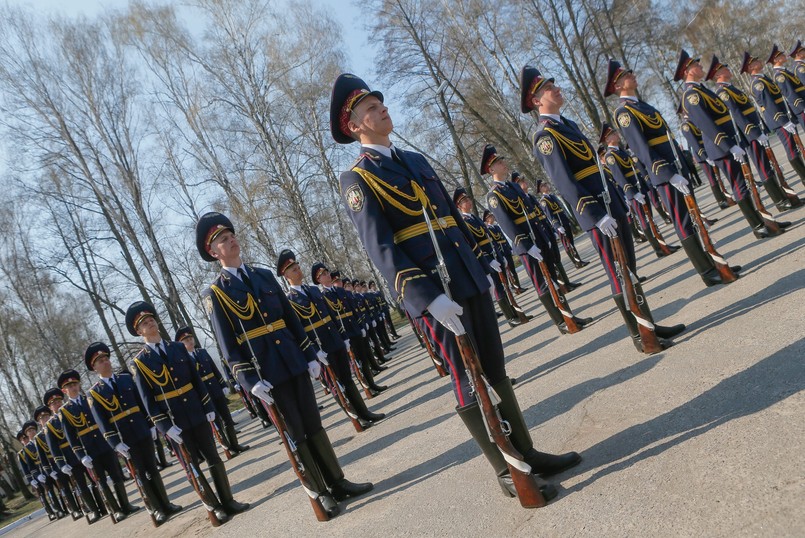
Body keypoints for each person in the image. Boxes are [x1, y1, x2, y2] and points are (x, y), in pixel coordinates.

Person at [332, 72, 580, 504]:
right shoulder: (358, 179)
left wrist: (479, 265)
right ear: (354, 126)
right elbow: (383, 250)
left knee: (495, 366)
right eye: (370, 108)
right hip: (434, 291)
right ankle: (507, 469)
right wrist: (427, 299)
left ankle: (526, 453)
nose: (381, 109)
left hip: (465, 276)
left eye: (379, 102)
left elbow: (449, 219)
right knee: (468, 375)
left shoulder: (415, 160)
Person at [198, 212, 372, 519]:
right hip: (266, 371)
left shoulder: (264, 276)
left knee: (314, 424)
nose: (231, 240)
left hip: (293, 359)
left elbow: (291, 320)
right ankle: (319, 493)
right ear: (213, 252)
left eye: (231, 234)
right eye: (223, 239)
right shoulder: (218, 294)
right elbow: (228, 346)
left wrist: (309, 354)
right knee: (295, 434)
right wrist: (249, 380)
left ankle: (338, 481)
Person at [522, 64, 685, 352]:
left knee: (629, 270)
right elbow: (565, 182)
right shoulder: (545, 136)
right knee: (617, 272)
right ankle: (640, 337)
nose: (556, 89)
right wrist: (595, 215)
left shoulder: (566, 125)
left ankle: (648, 324)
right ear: (536, 101)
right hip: (597, 211)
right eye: (548, 88)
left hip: (611, 203)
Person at [607, 59, 737, 286]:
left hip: (674, 167)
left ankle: (713, 262)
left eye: (630, 71)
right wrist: (668, 174)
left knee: (694, 218)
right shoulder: (624, 112)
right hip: (665, 174)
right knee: (684, 221)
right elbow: (642, 149)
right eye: (625, 75)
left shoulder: (641, 105)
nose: (632, 74)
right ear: (617, 86)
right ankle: (706, 272)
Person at [127, 301, 249, 524]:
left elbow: (196, 381)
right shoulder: (140, 363)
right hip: (174, 420)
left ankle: (227, 500)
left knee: (213, 458)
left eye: (151, 318)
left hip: (196, 410)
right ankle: (213, 507)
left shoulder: (177, 348)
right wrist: (164, 427)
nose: (150, 323)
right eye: (145, 323)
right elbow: (147, 401)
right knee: (192, 465)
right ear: (139, 331)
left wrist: (208, 407)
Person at [675, 50, 788, 236]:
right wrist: (728, 145)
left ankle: (766, 220)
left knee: (746, 184)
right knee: (740, 187)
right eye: (696, 64)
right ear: (687, 71)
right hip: (721, 147)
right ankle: (758, 227)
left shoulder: (700, 90)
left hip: (729, 143)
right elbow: (708, 125)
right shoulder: (691, 95)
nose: (700, 66)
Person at [483, 144, 592, 334]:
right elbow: (508, 224)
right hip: (526, 244)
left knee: (552, 277)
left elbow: (531, 212)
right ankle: (560, 322)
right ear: (491, 169)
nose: (504, 163)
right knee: (542, 282)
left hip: (538, 237)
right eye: (499, 162)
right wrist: (526, 245)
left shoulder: (513, 186)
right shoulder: (494, 195)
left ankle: (568, 315)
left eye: (502, 160)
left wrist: (544, 235)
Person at [278, 249, 385, 427]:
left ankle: (365, 412)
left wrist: (343, 336)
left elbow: (330, 315)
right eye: (293, 269)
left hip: (334, 339)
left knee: (347, 378)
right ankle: (355, 418)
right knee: (336, 384)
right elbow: (298, 331)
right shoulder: (289, 300)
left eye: (297, 266)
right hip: (320, 347)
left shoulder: (313, 290)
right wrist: (313, 351)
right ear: (285, 274)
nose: (298, 270)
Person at [86, 341, 181, 526]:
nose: (105, 362)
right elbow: (102, 422)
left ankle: (166, 504)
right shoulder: (94, 394)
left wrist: (151, 424)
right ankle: (156, 509)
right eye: (100, 361)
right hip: (124, 438)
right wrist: (115, 443)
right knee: (140, 474)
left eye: (106, 358)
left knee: (153, 468)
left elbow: (141, 401)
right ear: (94, 367)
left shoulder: (125, 378)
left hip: (141, 430)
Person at [706, 55, 796, 211]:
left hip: (755, 129)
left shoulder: (730, 88)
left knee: (769, 165)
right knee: (763, 167)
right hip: (749, 134)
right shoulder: (723, 92)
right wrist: (753, 133)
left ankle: (783, 195)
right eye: (724, 68)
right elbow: (737, 116)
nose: (728, 69)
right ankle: (779, 201)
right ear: (718, 74)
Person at [58, 369, 133, 522]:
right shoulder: (64, 411)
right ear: (64, 390)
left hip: (104, 443)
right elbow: (71, 437)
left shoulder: (90, 398)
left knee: (117, 476)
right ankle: (116, 510)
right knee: (101, 481)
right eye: (69, 386)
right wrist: (81, 455)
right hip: (89, 450)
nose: (73, 388)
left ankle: (126, 505)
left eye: (75, 384)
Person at [601, 122, 680, 257]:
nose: (616, 134)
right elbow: (619, 177)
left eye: (615, 132)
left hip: (639, 187)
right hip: (633, 191)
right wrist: (631, 193)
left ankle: (662, 244)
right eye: (613, 134)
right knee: (644, 219)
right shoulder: (610, 156)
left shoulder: (621, 151)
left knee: (650, 218)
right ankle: (658, 249)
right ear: (607, 139)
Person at [453, 187, 526, 326]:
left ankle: (516, 312)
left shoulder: (475, 218)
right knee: (498, 288)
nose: (468, 202)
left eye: (468, 199)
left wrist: (500, 256)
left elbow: (490, 239)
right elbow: (473, 244)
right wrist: (489, 260)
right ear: (459, 206)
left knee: (505, 286)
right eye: (464, 201)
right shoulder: (463, 223)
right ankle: (510, 318)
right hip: (486, 258)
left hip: (495, 254)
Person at [174, 327, 250, 455]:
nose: (190, 341)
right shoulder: (183, 360)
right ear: (181, 344)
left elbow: (214, 369)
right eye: (186, 340)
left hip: (215, 389)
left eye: (191, 338)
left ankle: (235, 444)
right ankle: (227, 446)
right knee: (216, 422)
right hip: (204, 395)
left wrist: (222, 383)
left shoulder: (202, 352)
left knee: (227, 418)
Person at [313, 266, 388, 394]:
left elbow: (353, 310)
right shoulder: (322, 296)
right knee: (355, 362)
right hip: (344, 332)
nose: (328, 275)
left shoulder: (341, 291)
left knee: (363, 358)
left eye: (327, 272)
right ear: (318, 280)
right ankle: (366, 388)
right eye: (323, 274)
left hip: (354, 327)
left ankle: (372, 384)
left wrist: (360, 325)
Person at [42, 386, 103, 523]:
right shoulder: (50, 425)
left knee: (95, 480)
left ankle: (104, 505)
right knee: (81, 486)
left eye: (58, 401)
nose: (56, 404)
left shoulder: (71, 411)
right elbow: (53, 448)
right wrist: (61, 464)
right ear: (50, 407)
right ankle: (94, 510)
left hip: (85, 451)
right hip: (70, 459)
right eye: (53, 403)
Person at [744, 51, 805, 185]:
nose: (760, 61)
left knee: (795, 147)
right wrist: (783, 121)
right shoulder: (757, 83)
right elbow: (769, 104)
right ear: (751, 67)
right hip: (779, 120)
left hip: (783, 117)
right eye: (755, 61)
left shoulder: (763, 78)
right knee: (791, 148)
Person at [32, 405, 82, 520]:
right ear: (39, 422)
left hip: (69, 459)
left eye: (46, 416)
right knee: (65, 489)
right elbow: (43, 459)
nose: (44, 419)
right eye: (41, 418)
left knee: (77, 485)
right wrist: (49, 471)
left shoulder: (58, 424)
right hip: (55, 466)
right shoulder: (39, 438)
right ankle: (75, 510)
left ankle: (83, 505)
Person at [17, 423, 64, 520]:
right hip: (37, 474)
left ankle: (65, 507)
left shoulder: (40, 440)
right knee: (45, 494)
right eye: (23, 439)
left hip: (48, 468)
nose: (25, 440)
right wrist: (31, 479)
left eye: (26, 438)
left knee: (60, 487)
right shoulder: (22, 453)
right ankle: (53, 511)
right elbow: (27, 468)